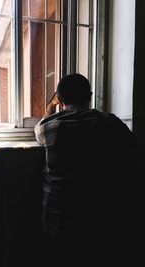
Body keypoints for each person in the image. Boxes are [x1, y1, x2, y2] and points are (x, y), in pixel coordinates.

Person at [34, 73, 142, 266]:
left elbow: (41, 128)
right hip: (99, 223)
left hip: (58, 224)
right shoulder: (110, 123)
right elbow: (131, 147)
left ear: (60, 99)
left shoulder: (49, 127)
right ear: (90, 96)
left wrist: (50, 108)